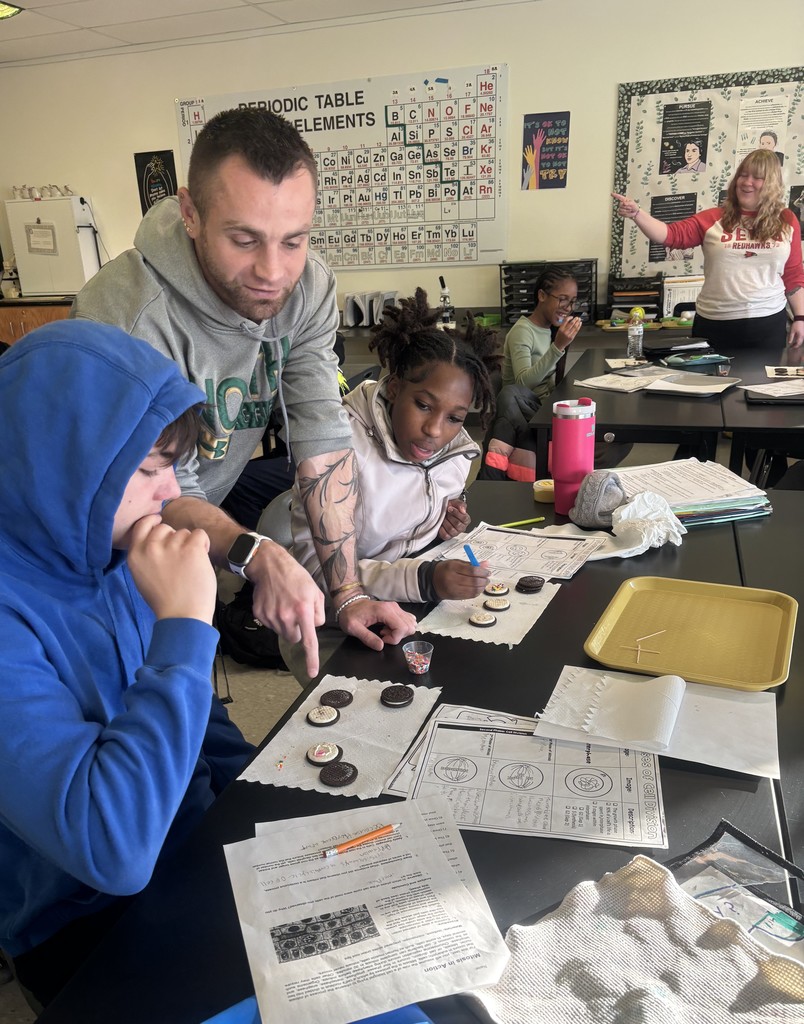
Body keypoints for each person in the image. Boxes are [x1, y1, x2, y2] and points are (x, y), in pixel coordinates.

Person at [72, 107, 414, 678]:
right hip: (96, 564)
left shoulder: (307, 290)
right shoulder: (129, 318)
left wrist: (348, 592)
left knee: (210, 750)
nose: (274, 271)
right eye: (244, 239)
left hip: (180, 538)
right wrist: (257, 555)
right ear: (189, 213)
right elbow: (159, 491)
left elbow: (321, 439)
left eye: (294, 241)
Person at [0, 320, 254, 1010]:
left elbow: (197, 723)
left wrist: (272, 792)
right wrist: (184, 625)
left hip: (189, 848)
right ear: (63, 469)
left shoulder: (110, 548)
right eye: (145, 470)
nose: (169, 491)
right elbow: (114, 851)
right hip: (87, 923)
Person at [291, 289, 499, 605]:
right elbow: (313, 567)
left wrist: (437, 524)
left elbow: (409, 532)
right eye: (423, 405)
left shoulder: (456, 450)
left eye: (455, 418)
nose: (435, 430)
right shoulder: (337, 448)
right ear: (394, 388)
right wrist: (423, 581)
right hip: (344, 609)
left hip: (411, 595)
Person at [613, 148, 804, 351]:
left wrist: (800, 317)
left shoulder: (786, 220)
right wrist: (637, 214)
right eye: (743, 175)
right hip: (716, 323)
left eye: (757, 177)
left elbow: (793, 274)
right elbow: (670, 235)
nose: (747, 182)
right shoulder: (713, 218)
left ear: (772, 184)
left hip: (768, 323)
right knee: (712, 381)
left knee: (762, 383)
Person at [480, 266, 583, 481]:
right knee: (510, 394)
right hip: (522, 406)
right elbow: (523, 383)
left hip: (542, 409)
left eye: (572, 301)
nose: (567, 307)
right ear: (542, 295)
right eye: (562, 299)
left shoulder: (553, 330)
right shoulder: (523, 330)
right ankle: (501, 473)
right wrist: (558, 347)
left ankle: (494, 474)